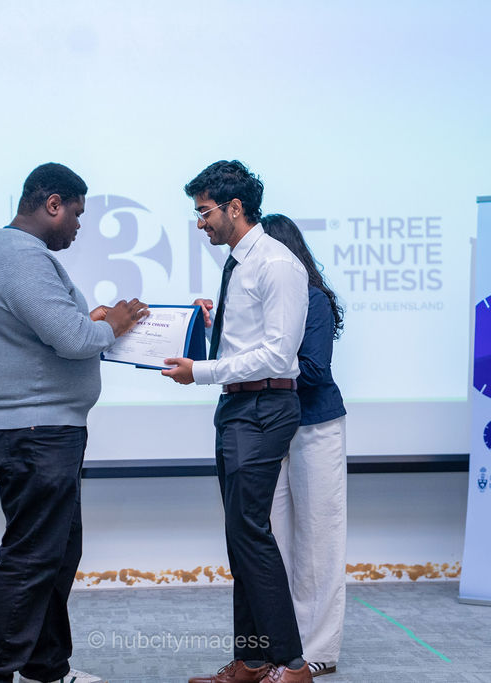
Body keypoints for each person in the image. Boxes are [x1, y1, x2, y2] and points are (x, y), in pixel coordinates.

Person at [0, 162, 148, 683]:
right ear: (52, 205)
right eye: (77, 215)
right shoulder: (23, 257)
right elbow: (72, 340)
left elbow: (48, 333)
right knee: (30, 563)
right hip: (36, 435)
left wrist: (91, 323)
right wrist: (112, 324)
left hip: (37, 432)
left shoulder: (3, 253)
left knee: (54, 557)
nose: (78, 226)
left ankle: (46, 669)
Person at [162, 160, 312, 683]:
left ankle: (292, 665)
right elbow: (249, 342)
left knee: (249, 532)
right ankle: (251, 661)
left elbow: (277, 356)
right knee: (240, 537)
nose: (199, 223)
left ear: (235, 207)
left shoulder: (276, 264)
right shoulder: (237, 263)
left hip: (264, 407)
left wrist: (201, 372)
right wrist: (210, 327)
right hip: (237, 408)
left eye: (204, 212)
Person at [260, 214, 347, 678]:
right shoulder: (259, 299)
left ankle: (318, 652)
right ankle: (282, 647)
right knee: (270, 540)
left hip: (315, 425)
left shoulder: (313, 299)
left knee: (318, 542)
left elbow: (313, 370)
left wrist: (260, 364)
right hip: (269, 428)